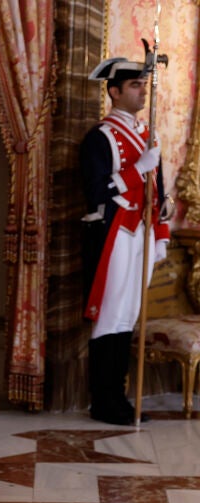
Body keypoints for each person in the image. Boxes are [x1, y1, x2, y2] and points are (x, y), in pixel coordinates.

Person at [80, 57, 169, 425]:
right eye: (134, 85)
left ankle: (119, 396)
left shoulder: (148, 134)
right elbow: (95, 191)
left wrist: (162, 230)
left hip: (141, 232)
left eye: (143, 85)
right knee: (110, 316)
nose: (142, 91)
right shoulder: (99, 137)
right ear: (114, 92)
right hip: (113, 233)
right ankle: (103, 401)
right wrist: (137, 170)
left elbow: (157, 191)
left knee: (128, 316)